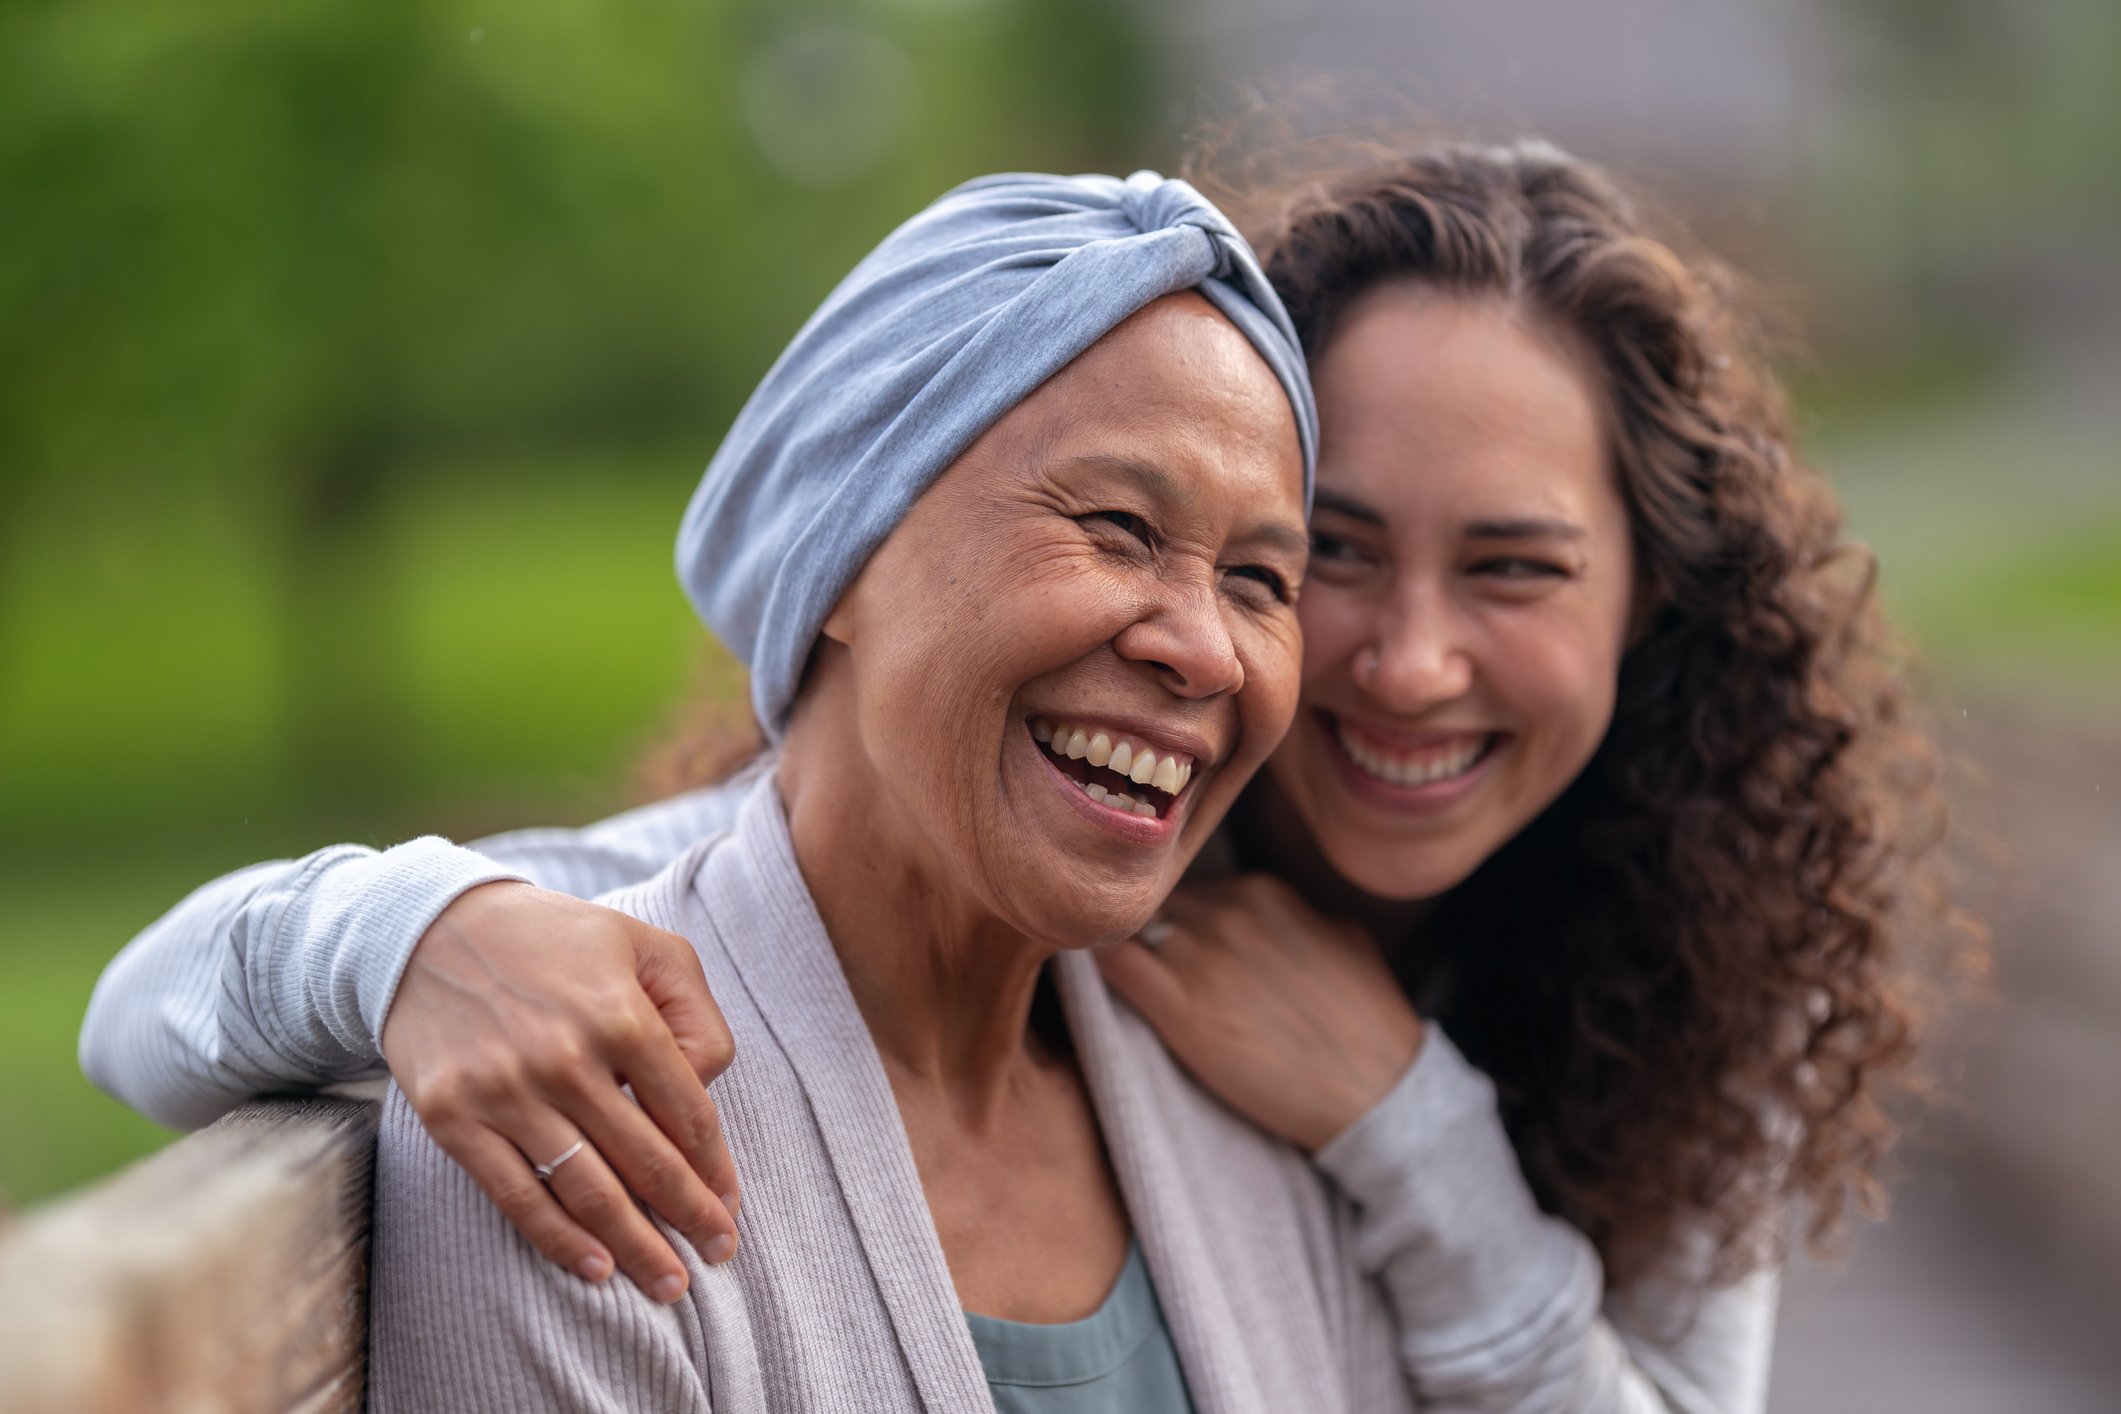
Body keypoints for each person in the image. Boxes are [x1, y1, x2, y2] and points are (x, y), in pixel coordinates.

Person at [83, 141, 1964, 1413]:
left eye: (1517, 564)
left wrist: (1408, 1126)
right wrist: (413, 919)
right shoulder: (652, 1100)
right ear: (848, 559)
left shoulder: (1696, 988)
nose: (1395, 657)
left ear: (1656, 619)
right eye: (1328, 553)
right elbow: (653, 879)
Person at [363, 167, 1420, 1411]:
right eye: (1121, 527)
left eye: (1260, 580)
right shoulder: (572, 1117)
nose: (1208, 648)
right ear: (848, 550)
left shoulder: (1245, 1097)